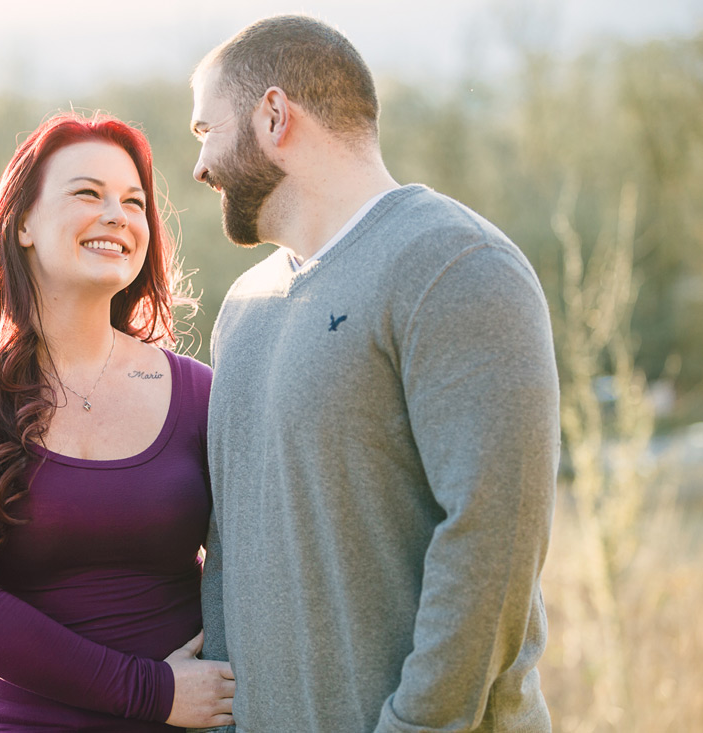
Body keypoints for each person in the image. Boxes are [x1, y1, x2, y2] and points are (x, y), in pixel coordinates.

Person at [189, 15, 559, 733]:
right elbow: (227, 549)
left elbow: (493, 538)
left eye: (205, 131)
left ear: (274, 115)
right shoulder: (242, 308)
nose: (199, 166)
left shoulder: (454, 264)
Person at [0, 111, 235, 731]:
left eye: (134, 202)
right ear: (22, 222)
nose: (118, 216)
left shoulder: (198, 392)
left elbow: (258, 558)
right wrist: (149, 691)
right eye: (87, 194)